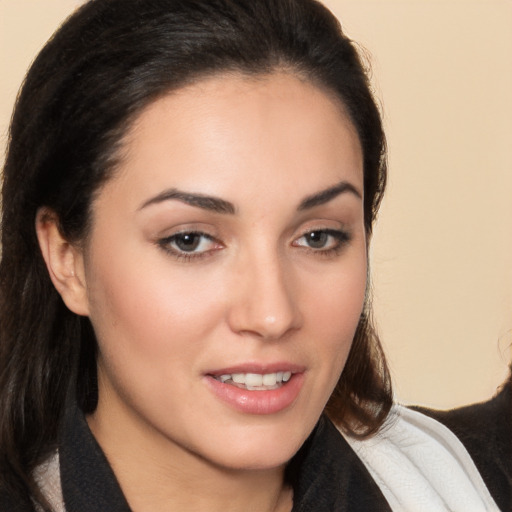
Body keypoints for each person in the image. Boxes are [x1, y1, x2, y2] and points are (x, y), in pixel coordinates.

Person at [0, 1, 501, 510]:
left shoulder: (461, 483)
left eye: (319, 236)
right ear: (67, 259)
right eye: (190, 240)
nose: (272, 314)